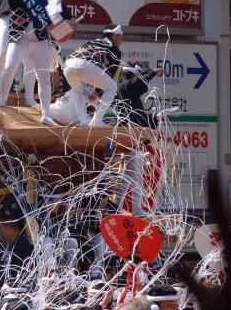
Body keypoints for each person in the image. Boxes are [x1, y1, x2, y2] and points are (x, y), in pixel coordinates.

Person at [0, 0, 58, 127]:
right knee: (10, 66)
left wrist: (68, 20)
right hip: (19, 38)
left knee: (44, 78)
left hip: (39, 40)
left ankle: (46, 114)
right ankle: (2, 98)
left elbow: (53, 8)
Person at [114, 61, 165, 216]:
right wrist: (153, 71)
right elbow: (140, 83)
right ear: (132, 75)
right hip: (129, 135)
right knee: (131, 174)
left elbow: (139, 118)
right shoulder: (124, 87)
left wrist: (157, 118)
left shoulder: (129, 93)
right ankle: (118, 207)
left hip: (135, 136)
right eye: (138, 76)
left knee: (136, 173)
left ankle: (135, 209)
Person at [63, 25, 123, 127]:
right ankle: (96, 122)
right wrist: (97, 92)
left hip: (68, 65)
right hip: (86, 64)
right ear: (114, 36)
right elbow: (109, 73)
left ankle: (84, 121)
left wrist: (95, 91)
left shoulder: (91, 42)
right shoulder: (114, 49)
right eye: (121, 38)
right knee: (112, 87)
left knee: (78, 91)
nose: (121, 42)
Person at [0, 218, 34, 285]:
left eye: (3, 230)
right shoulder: (12, 244)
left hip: (20, 285)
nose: (3, 233)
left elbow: (25, 268)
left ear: (9, 229)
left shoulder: (23, 244)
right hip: (9, 283)